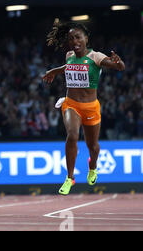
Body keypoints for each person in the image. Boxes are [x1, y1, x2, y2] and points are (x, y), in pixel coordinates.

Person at [42, 19, 125, 195]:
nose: (75, 41)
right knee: (72, 135)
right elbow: (69, 67)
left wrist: (118, 63)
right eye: (71, 38)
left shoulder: (96, 56)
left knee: (93, 146)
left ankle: (92, 166)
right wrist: (55, 71)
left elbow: (118, 67)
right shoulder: (69, 55)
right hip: (71, 104)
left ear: (86, 38)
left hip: (90, 107)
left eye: (78, 37)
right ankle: (70, 177)